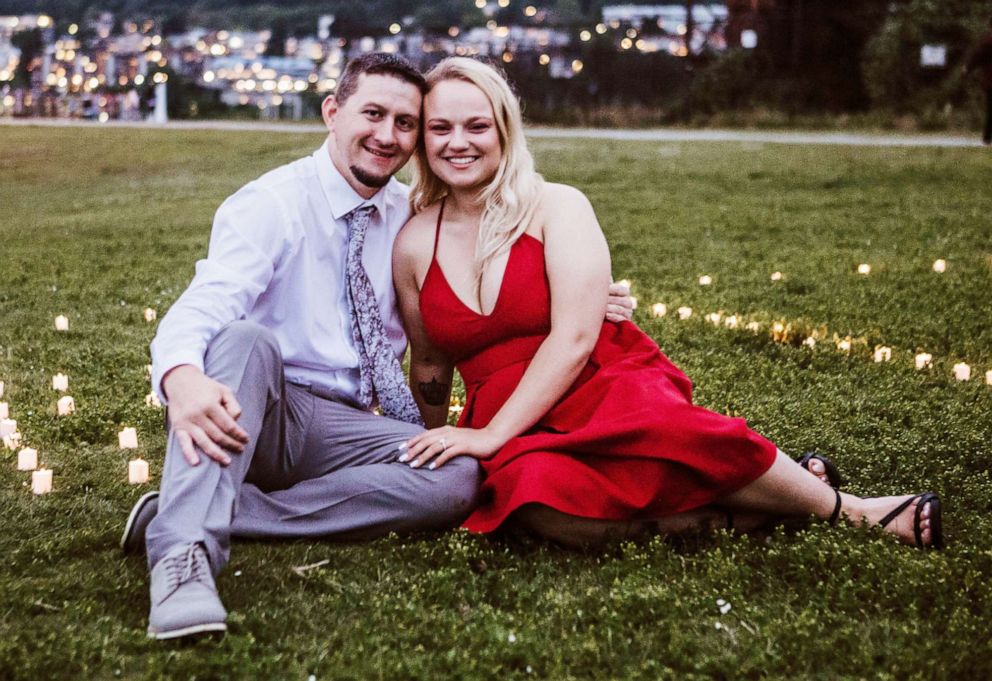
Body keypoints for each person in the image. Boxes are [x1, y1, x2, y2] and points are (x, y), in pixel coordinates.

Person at [127, 53, 633, 641]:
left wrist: (577, 292)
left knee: (457, 474)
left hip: (338, 424)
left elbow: (480, 285)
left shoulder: (409, 219)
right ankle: (183, 557)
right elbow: (205, 301)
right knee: (243, 339)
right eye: (372, 114)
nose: (386, 136)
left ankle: (216, 510)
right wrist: (181, 374)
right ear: (333, 114)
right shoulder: (271, 203)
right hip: (256, 409)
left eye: (405, 122)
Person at [391, 57, 944, 552]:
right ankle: (745, 513)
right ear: (423, 140)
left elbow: (576, 337)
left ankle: (855, 510)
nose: (457, 142)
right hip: (503, 407)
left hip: (593, 378)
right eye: (440, 128)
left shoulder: (555, 206)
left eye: (476, 126)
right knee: (533, 501)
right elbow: (431, 365)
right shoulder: (415, 242)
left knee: (673, 438)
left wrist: (489, 435)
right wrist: (429, 455)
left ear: (504, 131)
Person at [965, 17, 992, 145]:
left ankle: (987, 137)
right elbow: (978, 56)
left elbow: (976, 56)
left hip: (989, 81)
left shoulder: (986, 41)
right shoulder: (988, 41)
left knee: (990, 109)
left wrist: (967, 68)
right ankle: (987, 136)